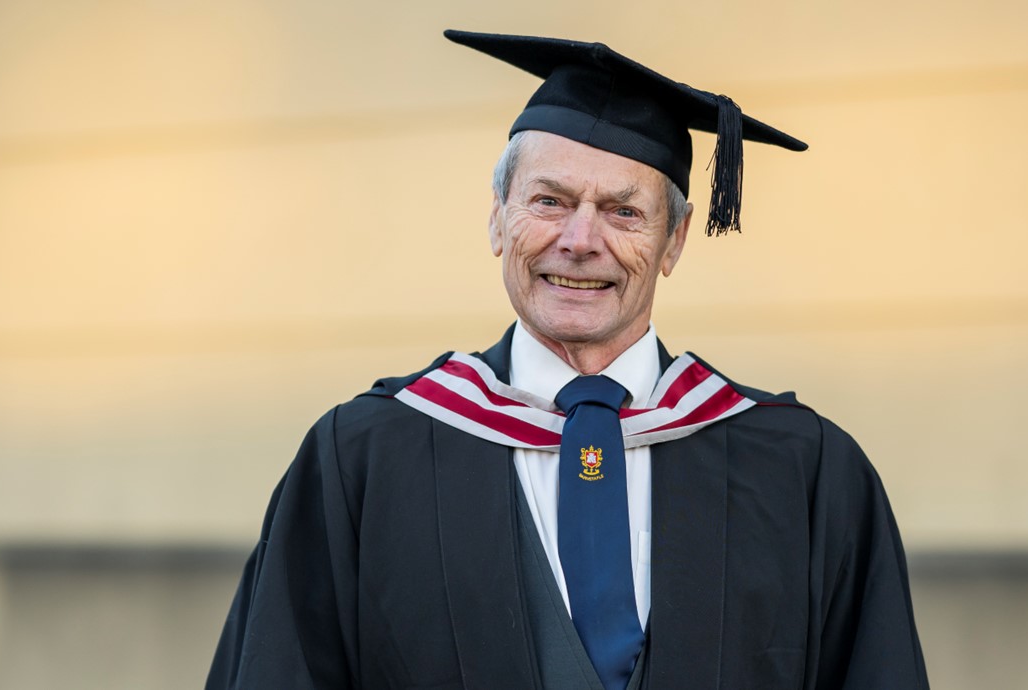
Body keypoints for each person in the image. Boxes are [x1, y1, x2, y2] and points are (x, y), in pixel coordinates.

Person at [207, 29, 928, 690]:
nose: (581, 240)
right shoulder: (362, 461)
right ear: (497, 219)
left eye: (623, 212)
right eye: (549, 200)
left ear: (673, 243)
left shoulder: (805, 472)